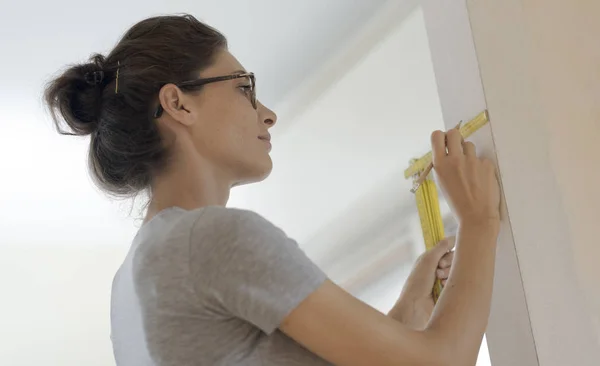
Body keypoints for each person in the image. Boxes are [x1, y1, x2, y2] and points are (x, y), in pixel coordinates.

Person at [44, 14, 500, 366]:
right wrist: (478, 223)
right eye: (245, 89)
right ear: (178, 103)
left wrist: (408, 313)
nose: (267, 114)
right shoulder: (210, 239)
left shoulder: (131, 284)